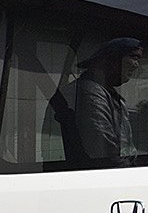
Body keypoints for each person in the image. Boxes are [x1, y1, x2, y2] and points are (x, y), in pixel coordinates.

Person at [57, 36, 142, 166]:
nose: (136, 65)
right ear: (110, 60)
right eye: (133, 57)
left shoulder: (108, 94)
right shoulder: (90, 94)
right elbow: (106, 155)